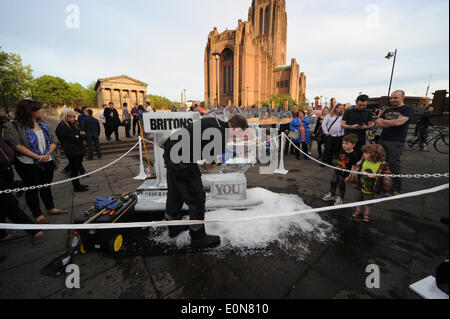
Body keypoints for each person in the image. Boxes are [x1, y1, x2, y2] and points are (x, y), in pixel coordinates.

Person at [162, 114, 249, 249]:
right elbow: (208, 165)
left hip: (171, 152)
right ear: (235, 128)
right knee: (197, 198)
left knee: (175, 193)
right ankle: (198, 237)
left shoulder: (214, 121)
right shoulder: (221, 135)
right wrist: (223, 159)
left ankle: (173, 227)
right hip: (182, 160)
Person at [3, 99, 68, 224]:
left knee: (46, 186)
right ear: (29, 111)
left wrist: (47, 154)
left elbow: (54, 139)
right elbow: (16, 145)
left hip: (47, 160)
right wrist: (38, 157)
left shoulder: (44, 123)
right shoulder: (15, 125)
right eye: (39, 109)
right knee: (32, 189)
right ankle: (37, 215)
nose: (42, 110)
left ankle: (50, 207)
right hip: (28, 163)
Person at [0, 135, 47, 246]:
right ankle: (34, 231)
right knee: (9, 202)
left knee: (3, 203)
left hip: (6, 170)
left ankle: (2, 234)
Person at [375, 90, 414, 196]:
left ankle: (396, 188)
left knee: (393, 165)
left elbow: (400, 122)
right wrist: (393, 122)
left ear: (403, 97)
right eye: (391, 98)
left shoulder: (407, 109)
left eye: (395, 98)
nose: (392, 100)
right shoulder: (388, 110)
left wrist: (386, 122)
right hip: (382, 139)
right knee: (380, 164)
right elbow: (378, 122)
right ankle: (380, 185)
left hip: (396, 141)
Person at [347, 144, 392, 223]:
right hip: (360, 186)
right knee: (358, 199)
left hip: (371, 188)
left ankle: (367, 214)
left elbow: (386, 178)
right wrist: (353, 181)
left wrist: (385, 188)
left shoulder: (382, 165)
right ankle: (358, 210)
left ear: (375, 155)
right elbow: (355, 171)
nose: (364, 154)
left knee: (369, 202)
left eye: (366, 153)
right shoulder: (362, 161)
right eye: (364, 152)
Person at [56, 110, 89, 192]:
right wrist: (79, 136)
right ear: (65, 117)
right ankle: (76, 186)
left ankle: (78, 184)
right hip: (72, 151)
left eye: (73, 117)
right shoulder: (63, 125)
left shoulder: (74, 124)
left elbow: (83, 135)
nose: (72, 119)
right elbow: (71, 138)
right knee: (74, 169)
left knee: (76, 168)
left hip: (78, 149)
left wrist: (79, 136)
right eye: (70, 117)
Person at [322, 134, 360, 206]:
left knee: (341, 186)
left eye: (346, 143)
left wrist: (349, 176)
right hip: (337, 171)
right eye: (343, 143)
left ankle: (340, 198)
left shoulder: (354, 155)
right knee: (333, 182)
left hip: (344, 174)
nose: (344, 145)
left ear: (353, 145)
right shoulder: (342, 150)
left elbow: (353, 167)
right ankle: (332, 194)